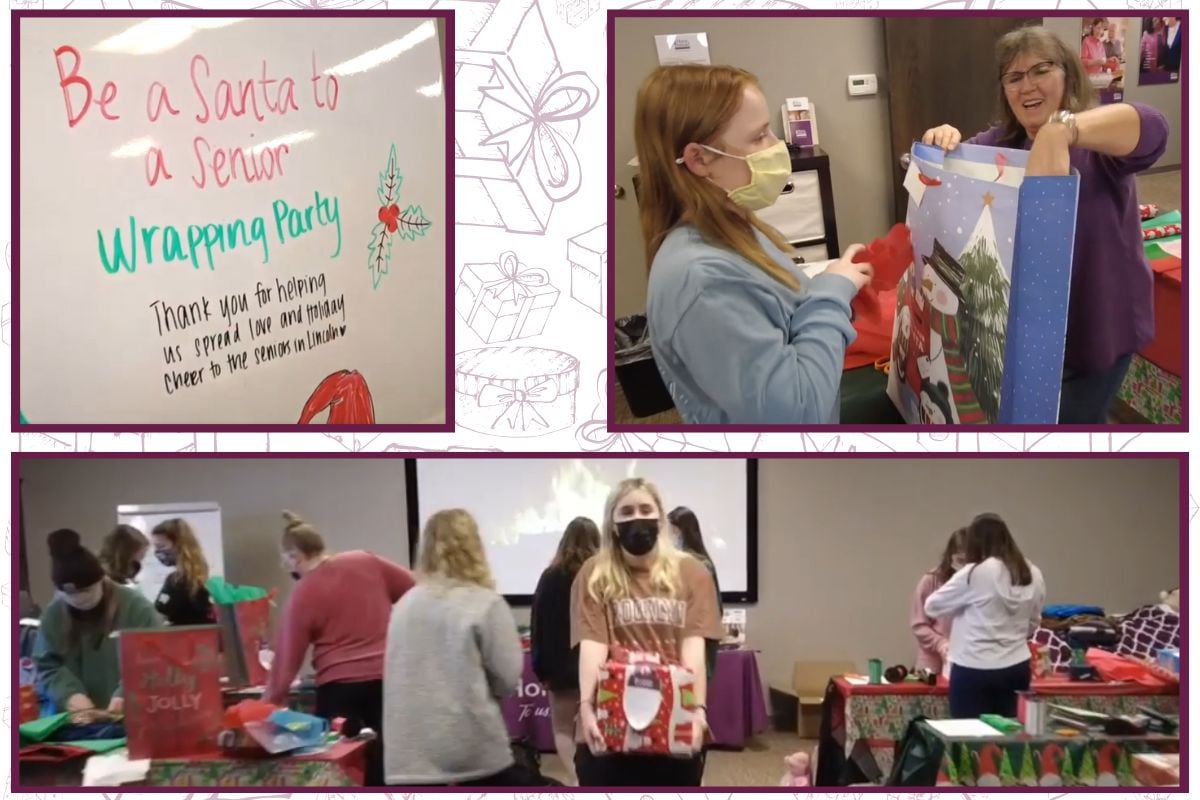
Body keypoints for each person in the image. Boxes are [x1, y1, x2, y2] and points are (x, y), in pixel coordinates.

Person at [922, 26, 1168, 424]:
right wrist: (942, 140)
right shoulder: (1001, 143)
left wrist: (1062, 130)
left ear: (1068, 74)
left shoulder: (1097, 141)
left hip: (1096, 328)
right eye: (1014, 77)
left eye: (1041, 70)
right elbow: (951, 181)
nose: (1027, 85)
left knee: (1073, 425)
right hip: (1028, 337)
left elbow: (1153, 126)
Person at [635, 64, 875, 424]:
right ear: (699, 158)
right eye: (759, 135)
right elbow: (798, 414)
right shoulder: (701, 281)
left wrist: (829, 286)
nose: (777, 146)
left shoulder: (731, 225)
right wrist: (831, 291)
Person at [571, 478, 723, 787]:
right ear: (613, 525)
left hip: (673, 718)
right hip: (611, 719)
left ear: (660, 518)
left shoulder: (692, 573)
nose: (637, 518)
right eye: (626, 512)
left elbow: (693, 648)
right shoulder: (593, 574)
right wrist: (586, 707)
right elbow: (593, 645)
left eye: (645, 509)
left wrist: (698, 711)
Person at [264, 511, 414, 787]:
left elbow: (286, 662)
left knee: (340, 771)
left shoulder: (303, 594)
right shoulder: (367, 561)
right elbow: (416, 591)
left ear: (293, 556)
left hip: (339, 692)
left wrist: (266, 705)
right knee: (390, 765)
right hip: (389, 682)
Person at [383, 509, 527, 786]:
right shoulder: (485, 603)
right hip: (472, 758)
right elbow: (508, 680)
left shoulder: (402, 606)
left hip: (407, 761)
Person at [924, 513, 1046, 718]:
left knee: (968, 739)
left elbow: (932, 606)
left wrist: (961, 606)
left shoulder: (975, 572)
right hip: (1016, 666)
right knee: (1009, 735)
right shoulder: (1032, 572)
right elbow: (1034, 622)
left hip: (973, 667)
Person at [34, 529, 161, 716]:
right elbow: (47, 664)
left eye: (86, 591)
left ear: (101, 579)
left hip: (133, 718)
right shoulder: (55, 614)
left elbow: (156, 658)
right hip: (75, 722)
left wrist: (128, 692)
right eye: (70, 594)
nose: (79, 599)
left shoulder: (135, 608)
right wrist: (68, 694)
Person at [531, 516, 601, 786]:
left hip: (559, 667)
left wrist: (540, 667)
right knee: (593, 727)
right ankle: (591, 781)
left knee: (562, 728)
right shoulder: (600, 575)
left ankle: (575, 781)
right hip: (594, 667)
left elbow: (538, 624)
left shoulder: (550, 576)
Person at [667, 506, 724, 681]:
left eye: (668, 531)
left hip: (695, 642)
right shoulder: (693, 561)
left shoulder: (694, 565)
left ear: (678, 531)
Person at [910, 528, 967, 675]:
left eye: (969, 561)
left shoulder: (978, 583)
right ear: (950, 556)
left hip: (966, 658)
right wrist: (940, 643)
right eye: (960, 560)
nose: (965, 566)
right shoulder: (931, 580)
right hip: (931, 658)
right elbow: (919, 625)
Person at [151, 518, 214, 626]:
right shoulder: (201, 576)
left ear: (179, 545)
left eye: (161, 546)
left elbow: (158, 615)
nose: (157, 552)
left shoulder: (177, 581)